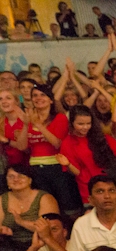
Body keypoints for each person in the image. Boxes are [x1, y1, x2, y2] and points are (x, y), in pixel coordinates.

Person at [17, 84, 81, 214]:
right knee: (47, 208)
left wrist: (39, 126)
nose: (38, 98)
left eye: (42, 95)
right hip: (36, 168)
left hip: (57, 167)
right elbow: (23, 147)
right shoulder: (29, 119)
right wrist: (25, 124)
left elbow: (57, 144)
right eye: (35, 95)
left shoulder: (60, 118)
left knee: (66, 206)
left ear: (51, 100)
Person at [58, 105, 116, 205]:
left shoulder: (100, 136)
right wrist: (68, 164)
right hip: (88, 188)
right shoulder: (67, 143)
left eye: (88, 123)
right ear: (72, 123)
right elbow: (77, 172)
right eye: (80, 124)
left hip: (109, 183)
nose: (85, 127)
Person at [0, 165, 59, 251]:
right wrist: (3, 230)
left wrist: (21, 222)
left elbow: (50, 228)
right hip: (9, 247)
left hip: (38, 246)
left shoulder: (44, 197)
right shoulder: (2, 199)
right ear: (6, 181)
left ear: (30, 180)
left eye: (21, 176)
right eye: (11, 176)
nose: (16, 179)